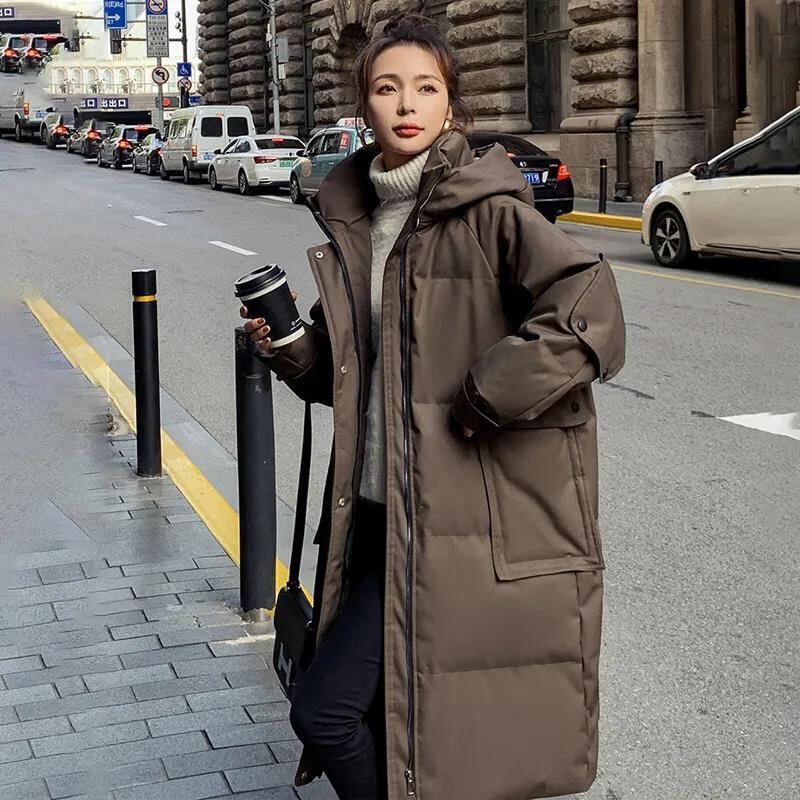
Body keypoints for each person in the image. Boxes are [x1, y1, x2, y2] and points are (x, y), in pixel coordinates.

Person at [241, 13, 626, 800]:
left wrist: (487, 393)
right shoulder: (359, 221)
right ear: (364, 104)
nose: (407, 104)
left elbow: (591, 307)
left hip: (445, 520)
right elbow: (347, 376)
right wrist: (288, 348)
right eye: (388, 88)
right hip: (372, 519)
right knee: (375, 719)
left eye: (426, 87)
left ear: (452, 103)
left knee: (328, 714)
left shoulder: (487, 210)